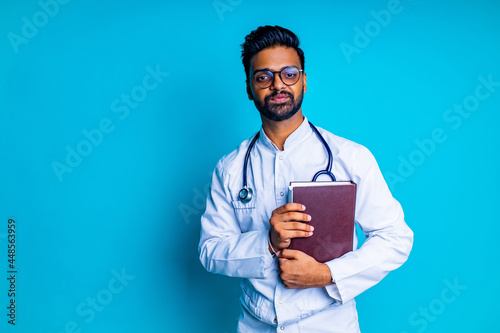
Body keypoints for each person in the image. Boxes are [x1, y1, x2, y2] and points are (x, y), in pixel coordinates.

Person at [198, 25, 413, 332]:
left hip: (328, 323)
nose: (277, 85)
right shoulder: (230, 168)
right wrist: (268, 243)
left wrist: (327, 274)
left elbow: (395, 238)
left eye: (289, 74)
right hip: (256, 325)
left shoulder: (349, 158)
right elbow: (210, 251)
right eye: (263, 77)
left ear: (303, 81)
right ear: (249, 88)